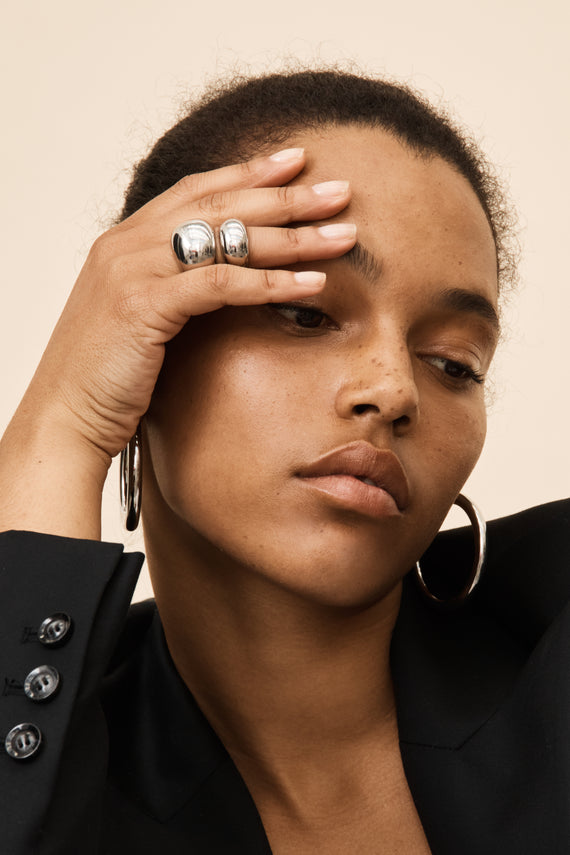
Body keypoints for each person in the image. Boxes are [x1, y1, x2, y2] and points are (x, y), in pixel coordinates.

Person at [0, 69, 568, 855]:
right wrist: (59, 425)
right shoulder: (59, 744)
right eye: (305, 313)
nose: (394, 389)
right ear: (145, 352)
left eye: (453, 363)